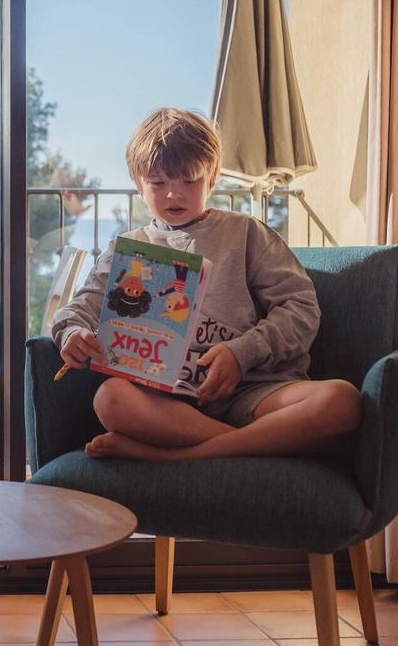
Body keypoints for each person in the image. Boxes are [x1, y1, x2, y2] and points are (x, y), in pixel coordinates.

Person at [49, 108, 362, 462]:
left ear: (212, 177)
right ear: (139, 183)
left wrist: (241, 352)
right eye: (158, 183)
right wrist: (71, 332)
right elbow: (78, 308)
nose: (173, 195)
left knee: (342, 401)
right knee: (110, 399)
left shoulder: (246, 233)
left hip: (255, 392)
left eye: (189, 180)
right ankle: (261, 444)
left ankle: (172, 457)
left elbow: (301, 309)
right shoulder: (127, 248)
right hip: (170, 407)